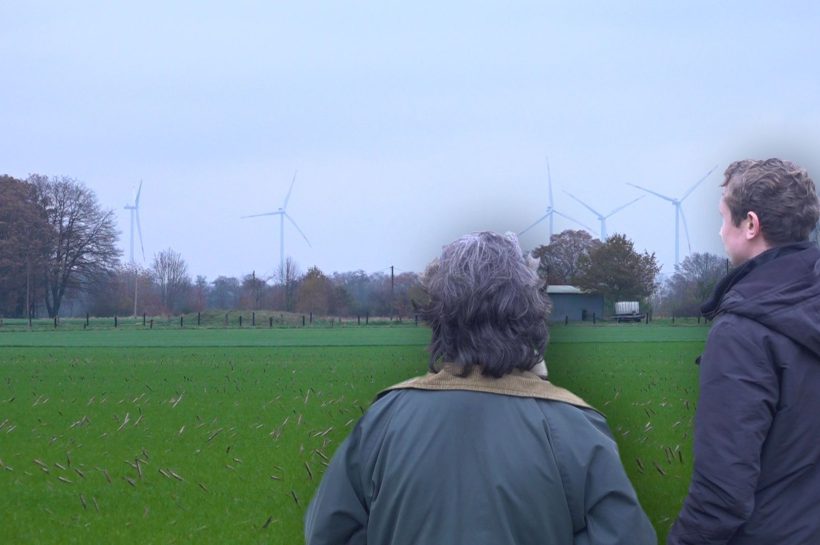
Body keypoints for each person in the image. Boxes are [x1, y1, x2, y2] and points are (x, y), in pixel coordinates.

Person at [305, 231, 656, 545]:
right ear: (531, 315)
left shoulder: (382, 423)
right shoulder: (577, 429)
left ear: (438, 319)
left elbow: (328, 532)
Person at [668, 158, 820, 545]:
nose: (720, 232)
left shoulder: (742, 334)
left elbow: (721, 495)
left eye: (723, 218)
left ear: (750, 224)